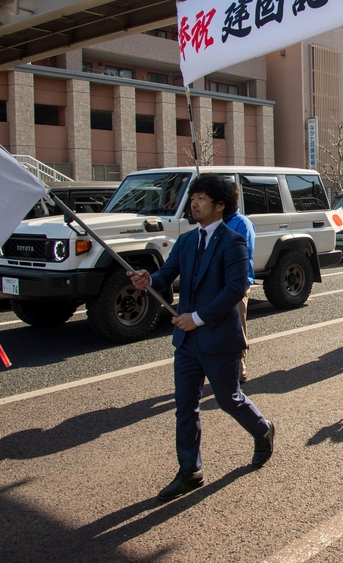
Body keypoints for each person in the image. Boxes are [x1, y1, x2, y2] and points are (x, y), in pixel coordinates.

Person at [129, 174, 275, 502]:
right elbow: (167, 274)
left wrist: (196, 318)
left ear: (220, 204)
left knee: (228, 399)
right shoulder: (186, 241)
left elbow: (235, 289)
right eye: (192, 197)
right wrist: (147, 278)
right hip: (187, 341)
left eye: (201, 198)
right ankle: (190, 470)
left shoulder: (233, 240)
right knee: (185, 405)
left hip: (218, 338)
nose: (193, 203)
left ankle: (263, 429)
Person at [222, 185, 256, 383]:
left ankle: (239, 369)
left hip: (236, 284)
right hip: (216, 284)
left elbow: (245, 254)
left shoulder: (242, 223)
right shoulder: (215, 224)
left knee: (237, 328)